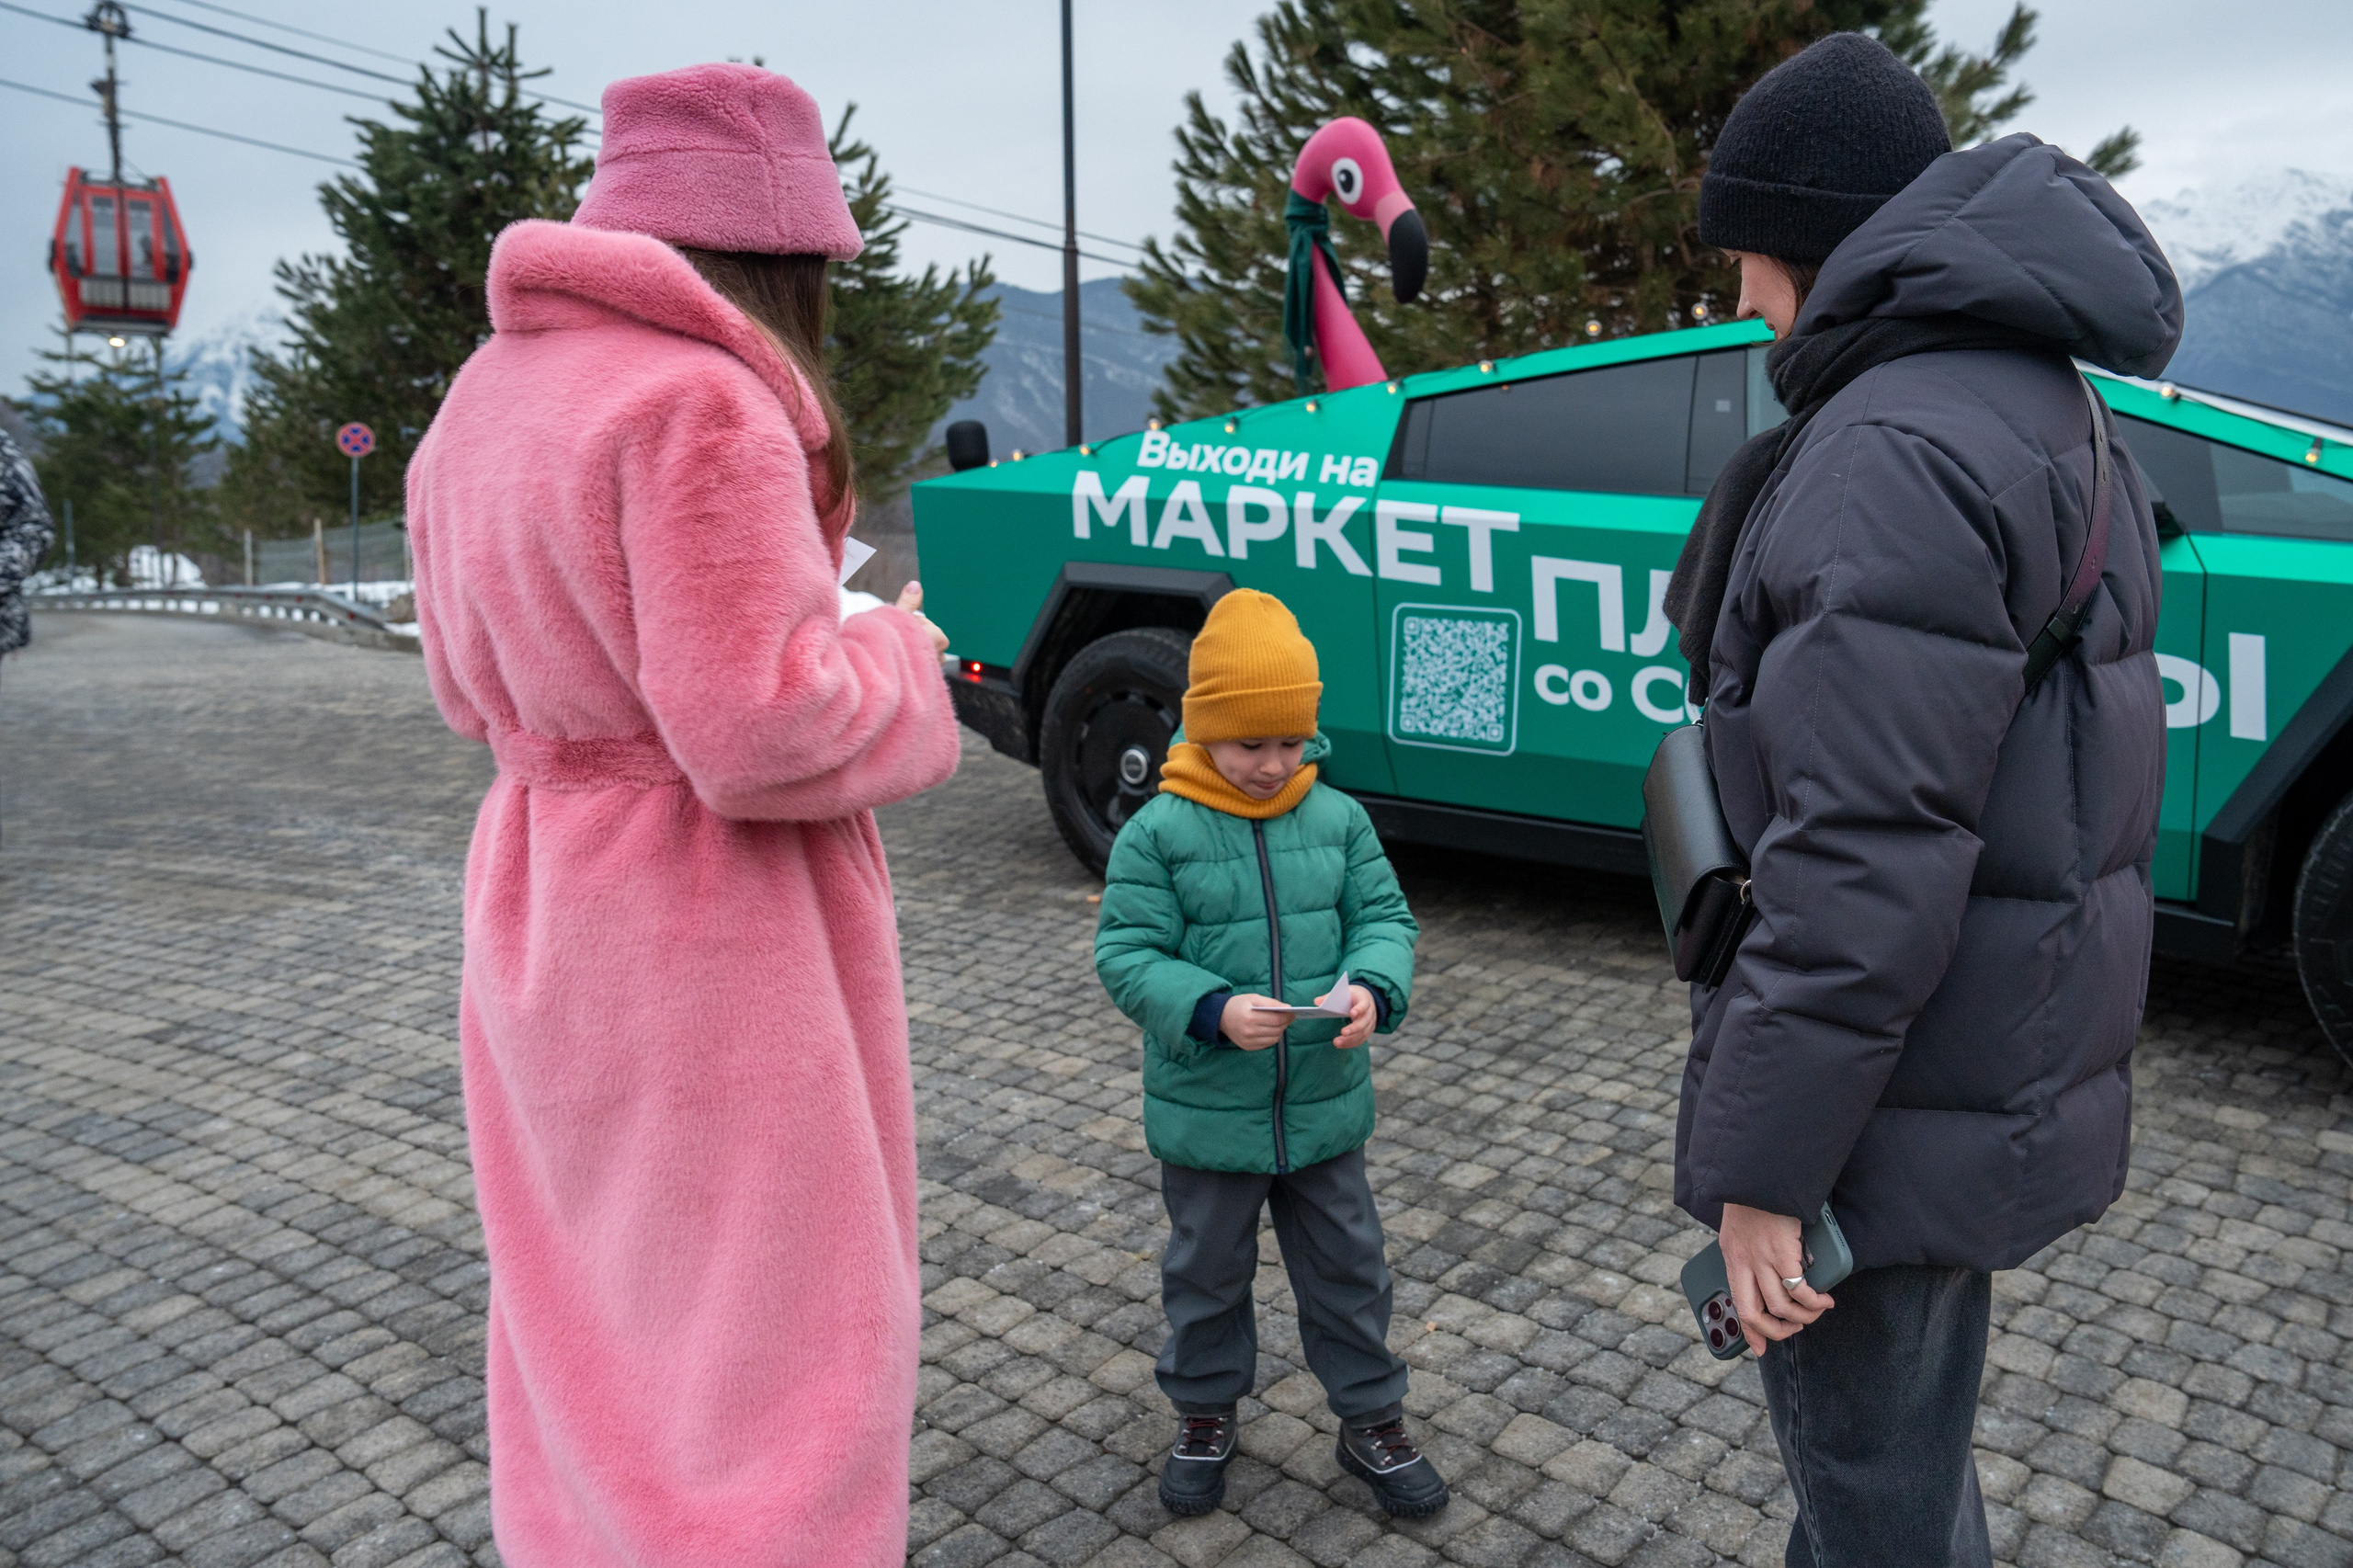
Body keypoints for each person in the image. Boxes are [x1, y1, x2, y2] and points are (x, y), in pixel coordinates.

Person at [404, 64, 961, 1568]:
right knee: (771, 1348)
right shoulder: (700, 401)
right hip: (711, 934)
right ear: (789, 254)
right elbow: (761, 729)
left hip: (541, 904)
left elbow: (462, 686)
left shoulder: (479, 399)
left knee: (589, 1309)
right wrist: (900, 655)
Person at [1663, 33, 2178, 1568]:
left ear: (1813, 240)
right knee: (1898, 1474)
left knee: (1873, 1500)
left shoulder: (1891, 449)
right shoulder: (2034, 402)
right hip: (1964, 1061)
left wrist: (1767, 1175)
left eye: (1748, 255)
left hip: (1880, 1108)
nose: (1743, 299)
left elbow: (1859, 864)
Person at [1093, 590, 1446, 1519]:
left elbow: (1384, 918)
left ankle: (1371, 1418)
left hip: (1324, 1105)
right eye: (1251, 743)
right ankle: (1205, 1411)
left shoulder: (1339, 819)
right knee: (1205, 1274)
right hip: (1208, 1116)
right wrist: (1209, 1007)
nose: (1274, 763)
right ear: (1205, 729)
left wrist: (1374, 986)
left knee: (1350, 1270)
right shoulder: (1157, 833)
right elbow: (1126, 954)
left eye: (1291, 741)